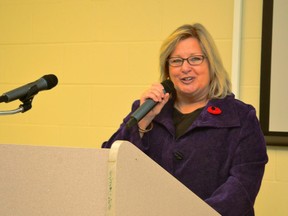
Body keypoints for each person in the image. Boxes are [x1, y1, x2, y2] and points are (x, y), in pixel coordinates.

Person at [102, 23, 268, 216]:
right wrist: (142, 122)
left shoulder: (240, 117)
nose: (185, 68)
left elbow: (242, 187)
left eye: (195, 59)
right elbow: (110, 166)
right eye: (176, 61)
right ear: (167, 69)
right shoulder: (147, 111)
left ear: (211, 64)